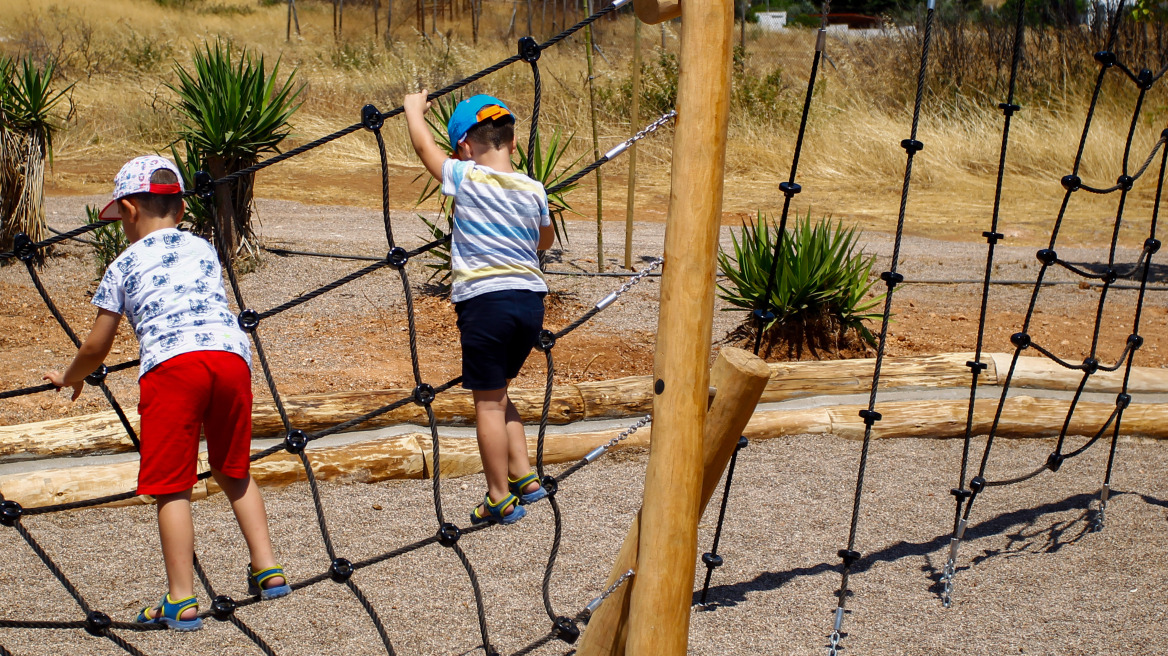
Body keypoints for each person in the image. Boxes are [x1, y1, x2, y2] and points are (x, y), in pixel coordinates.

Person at [44, 156, 290, 631]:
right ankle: (268, 568)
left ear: (130, 211)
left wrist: (71, 375)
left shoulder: (123, 264)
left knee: (171, 484)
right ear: (179, 210)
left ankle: (181, 599)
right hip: (231, 357)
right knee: (233, 466)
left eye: (120, 220)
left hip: (173, 368)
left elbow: (98, 346)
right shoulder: (203, 248)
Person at [404, 91, 555, 525]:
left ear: (466, 148)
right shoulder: (534, 187)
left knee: (486, 404)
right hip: (530, 302)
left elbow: (422, 149)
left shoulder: (467, 177)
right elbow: (544, 241)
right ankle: (524, 476)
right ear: (512, 142)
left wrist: (414, 111)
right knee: (500, 392)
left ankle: (498, 496)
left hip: (485, 304)